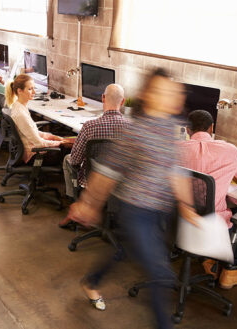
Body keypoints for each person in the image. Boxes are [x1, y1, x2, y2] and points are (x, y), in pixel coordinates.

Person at [67, 68, 199, 329]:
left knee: (124, 251)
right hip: (135, 211)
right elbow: (106, 172)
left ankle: (92, 281)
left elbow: (175, 171)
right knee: (160, 275)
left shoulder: (170, 128)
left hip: (160, 211)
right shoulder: (134, 131)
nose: (171, 96)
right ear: (148, 96)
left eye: (172, 91)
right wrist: (89, 204)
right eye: (162, 91)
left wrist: (186, 206)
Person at [181, 109, 237, 289]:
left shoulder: (175, 149)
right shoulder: (229, 150)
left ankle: (209, 261)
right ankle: (230, 272)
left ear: (187, 130)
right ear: (212, 128)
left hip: (182, 222)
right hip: (212, 226)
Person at [61, 83, 128, 207]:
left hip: (92, 180)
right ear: (123, 101)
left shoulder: (89, 127)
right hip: (119, 182)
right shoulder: (131, 128)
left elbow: (75, 161)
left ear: (103, 98)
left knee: (67, 159)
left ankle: (72, 201)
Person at [5, 74, 72, 166]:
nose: (34, 92)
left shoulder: (20, 106)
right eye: (30, 89)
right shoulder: (21, 114)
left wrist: (53, 137)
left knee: (64, 138)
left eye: (33, 88)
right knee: (71, 149)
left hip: (33, 148)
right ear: (19, 91)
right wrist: (60, 143)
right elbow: (39, 143)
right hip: (34, 155)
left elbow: (34, 133)